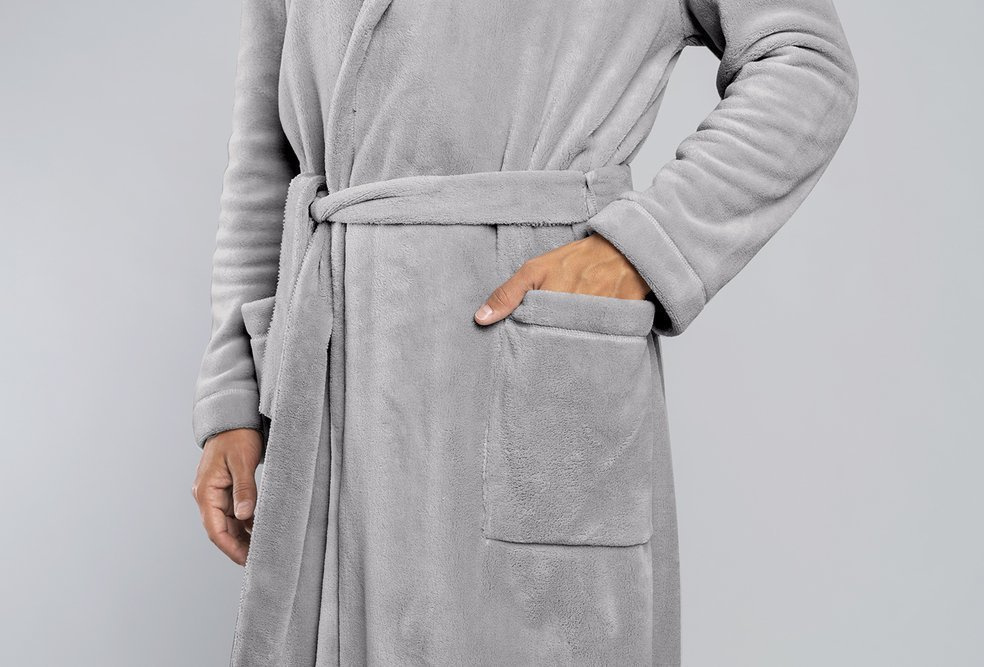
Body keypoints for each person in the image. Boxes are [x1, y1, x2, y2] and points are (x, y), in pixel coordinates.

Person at [190, 0, 858, 663]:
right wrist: (235, 393)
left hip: (521, 348)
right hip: (334, 366)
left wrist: (643, 249)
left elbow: (805, 59)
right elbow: (264, 155)